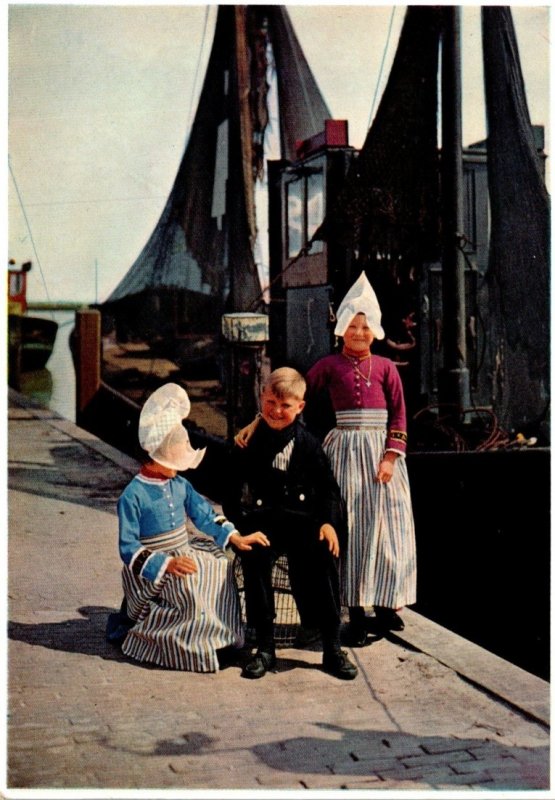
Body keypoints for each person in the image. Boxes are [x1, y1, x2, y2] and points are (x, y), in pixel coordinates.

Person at [236, 272, 417, 646]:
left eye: (366, 328)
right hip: (346, 453)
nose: (359, 334)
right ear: (342, 329)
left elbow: (399, 414)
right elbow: (293, 395)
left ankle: (385, 605)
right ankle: (354, 611)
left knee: (385, 534)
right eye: (353, 326)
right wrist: (258, 422)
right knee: (348, 529)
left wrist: (390, 457)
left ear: (375, 331)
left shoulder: (385, 369)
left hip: (379, 458)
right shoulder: (328, 366)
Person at [113, 382, 269, 672]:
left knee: (219, 565)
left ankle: (220, 636)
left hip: (183, 548)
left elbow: (204, 516)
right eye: (172, 461)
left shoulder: (180, 484)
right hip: (152, 566)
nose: (178, 468)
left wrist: (234, 537)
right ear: (153, 457)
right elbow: (128, 547)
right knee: (188, 582)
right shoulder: (132, 495)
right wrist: (166, 565)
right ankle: (190, 644)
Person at [222, 367, 358, 681]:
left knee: (324, 556)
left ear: (300, 407)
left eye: (286, 405)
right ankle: (265, 647)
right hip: (264, 522)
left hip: (303, 522)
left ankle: (332, 647)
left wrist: (327, 523)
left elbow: (328, 490)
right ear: (262, 399)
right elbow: (230, 494)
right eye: (270, 402)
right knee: (254, 558)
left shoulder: (309, 444)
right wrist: (241, 528)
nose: (277, 411)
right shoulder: (248, 442)